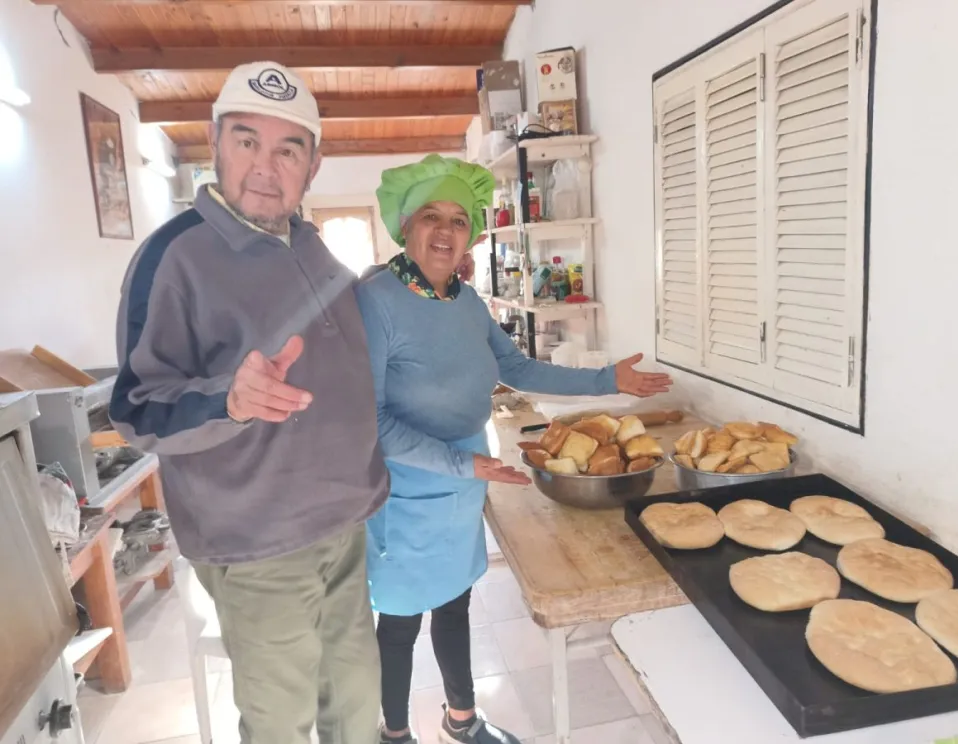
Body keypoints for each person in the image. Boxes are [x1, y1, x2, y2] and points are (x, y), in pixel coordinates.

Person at [109, 61, 388, 744]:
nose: (267, 166)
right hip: (259, 544)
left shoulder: (311, 244)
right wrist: (228, 402)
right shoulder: (175, 257)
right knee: (281, 726)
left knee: (355, 709)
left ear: (313, 165)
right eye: (246, 141)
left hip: (345, 525)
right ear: (214, 142)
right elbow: (137, 409)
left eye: (288, 147)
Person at [355, 155, 673, 744]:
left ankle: (462, 719)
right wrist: (461, 463)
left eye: (459, 218)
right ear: (406, 227)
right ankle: (394, 734)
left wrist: (608, 380)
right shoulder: (374, 300)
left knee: (454, 605)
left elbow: (519, 368)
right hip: (406, 489)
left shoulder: (465, 301)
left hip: (465, 481)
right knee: (400, 622)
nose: (446, 231)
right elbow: (368, 422)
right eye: (432, 216)